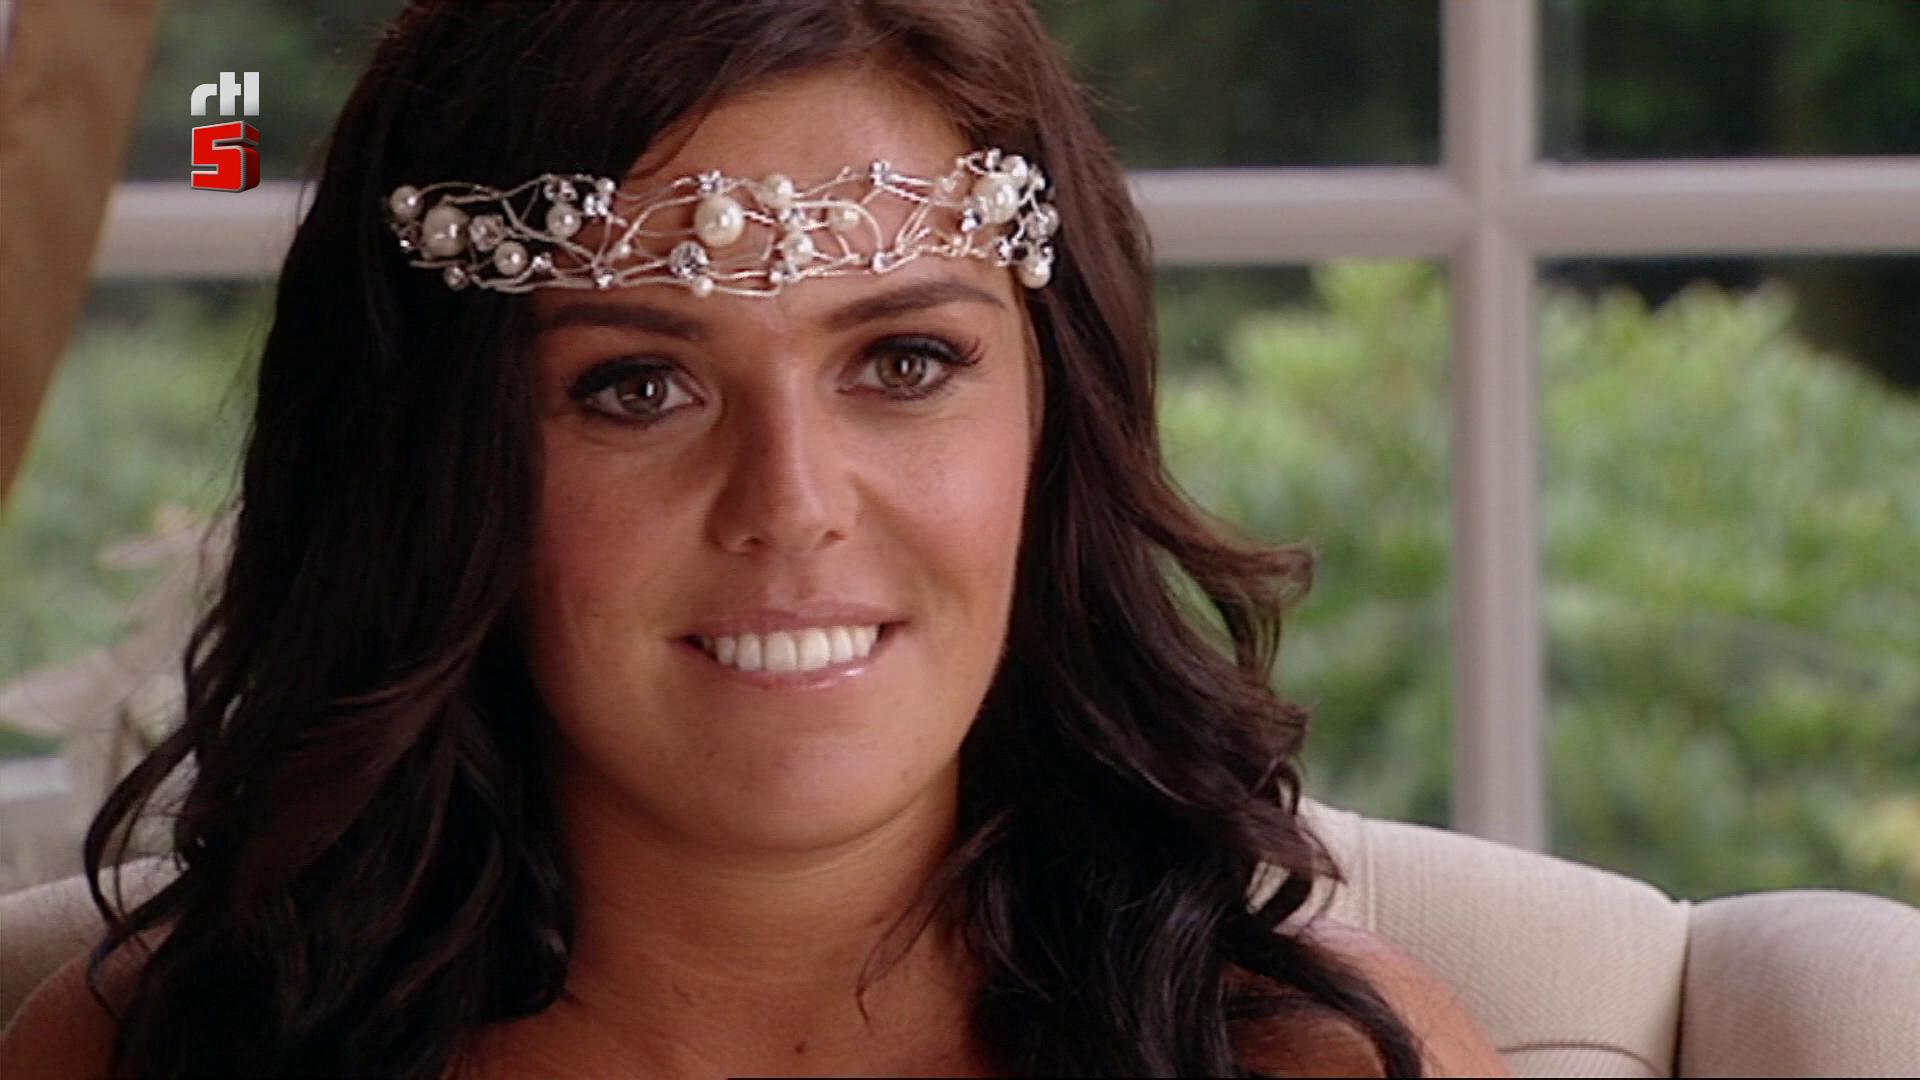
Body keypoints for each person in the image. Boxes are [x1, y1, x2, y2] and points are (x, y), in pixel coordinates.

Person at [0, 2, 1508, 1076]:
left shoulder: (1318, 1063)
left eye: (905, 362)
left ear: (1058, 424)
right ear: (431, 470)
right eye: (635, 387)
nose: (790, 501)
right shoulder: (143, 1053)